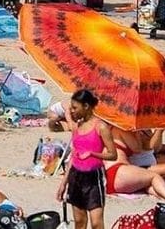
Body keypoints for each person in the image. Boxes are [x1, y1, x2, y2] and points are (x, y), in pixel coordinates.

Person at [55, 89, 115, 229]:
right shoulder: (77, 127)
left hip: (94, 177)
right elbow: (73, 156)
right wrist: (63, 183)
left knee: (96, 223)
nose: (72, 111)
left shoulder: (101, 127)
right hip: (76, 176)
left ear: (86, 106)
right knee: (80, 222)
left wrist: (93, 154)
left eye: (75, 108)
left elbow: (113, 154)